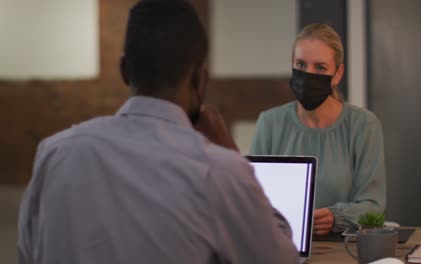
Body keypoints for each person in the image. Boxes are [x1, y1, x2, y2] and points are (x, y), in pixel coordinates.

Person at [17, 1, 298, 263]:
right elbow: (282, 257)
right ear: (201, 79)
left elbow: (27, 253)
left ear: (125, 71)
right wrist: (231, 153)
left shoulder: (55, 154)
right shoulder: (218, 171)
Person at [250, 23, 386, 235]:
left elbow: (373, 204)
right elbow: (254, 196)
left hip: (343, 249)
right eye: (301, 65)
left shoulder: (363, 125)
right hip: (284, 246)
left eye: (320, 68)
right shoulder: (269, 123)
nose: (308, 75)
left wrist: (336, 218)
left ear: (338, 74)